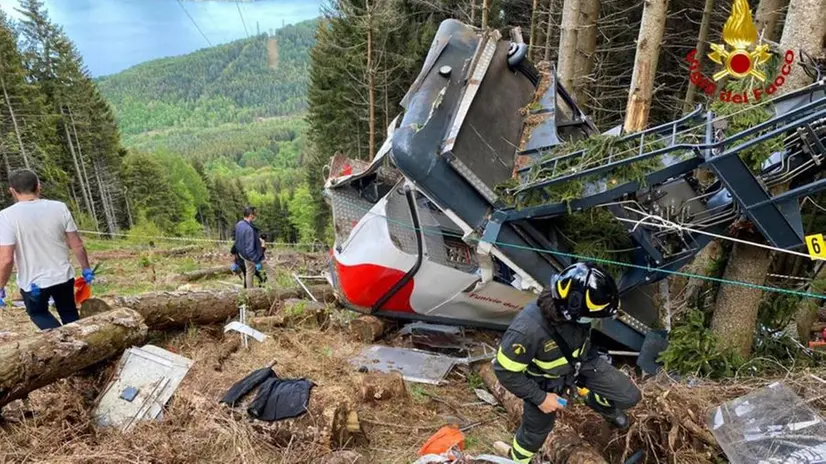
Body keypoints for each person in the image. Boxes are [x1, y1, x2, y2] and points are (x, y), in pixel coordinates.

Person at [492, 262, 641, 463]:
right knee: (534, 434)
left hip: (582, 363)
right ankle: (517, 459)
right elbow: (505, 371)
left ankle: (596, 400)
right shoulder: (526, 332)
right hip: (544, 382)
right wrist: (541, 398)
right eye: (590, 317)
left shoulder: (576, 311)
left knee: (629, 396)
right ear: (571, 309)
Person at [0, 169, 95, 330]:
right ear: (38, 187)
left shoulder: (6, 216)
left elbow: (7, 258)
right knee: (68, 311)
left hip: (33, 283)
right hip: (62, 276)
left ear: (12, 191)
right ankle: (79, 341)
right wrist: (86, 268)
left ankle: (63, 342)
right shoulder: (59, 208)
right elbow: (77, 244)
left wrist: (1, 286)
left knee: (38, 313)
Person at [233, 206, 264, 289]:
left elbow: (237, 242)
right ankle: (273, 293)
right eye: (255, 214)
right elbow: (250, 247)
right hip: (251, 256)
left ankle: (249, 293)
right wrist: (257, 261)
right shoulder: (249, 229)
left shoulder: (239, 224)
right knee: (269, 273)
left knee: (249, 273)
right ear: (251, 215)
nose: (256, 216)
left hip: (243, 255)